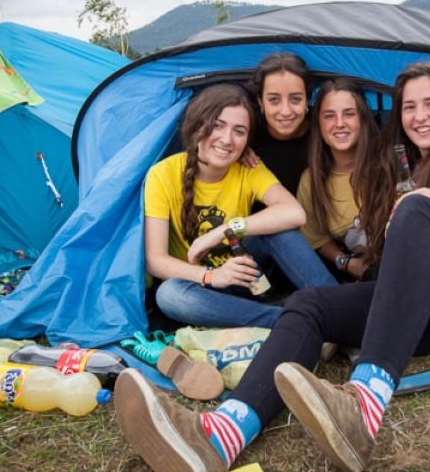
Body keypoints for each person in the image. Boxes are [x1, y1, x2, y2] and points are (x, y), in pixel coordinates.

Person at [115, 61, 430, 472]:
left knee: (419, 206)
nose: (420, 117)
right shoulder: (403, 168)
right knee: (311, 304)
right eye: (409, 107)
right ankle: (221, 436)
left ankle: (364, 403)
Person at [143, 83, 335, 330]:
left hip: (248, 278)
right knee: (168, 294)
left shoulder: (248, 168)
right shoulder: (163, 174)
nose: (227, 139)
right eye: (217, 125)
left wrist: (222, 231)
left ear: (247, 140)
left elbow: (294, 213)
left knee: (279, 227)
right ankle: (289, 322)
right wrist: (212, 276)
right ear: (196, 124)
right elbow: (155, 261)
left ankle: (337, 306)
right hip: (202, 289)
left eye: (239, 131)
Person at [296, 78, 379, 281]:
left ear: (363, 118)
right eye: (329, 116)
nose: (339, 124)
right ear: (319, 123)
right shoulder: (311, 181)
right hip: (352, 280)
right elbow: (315, 237)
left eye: (349, 114)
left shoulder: (387, 164)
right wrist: (345, 262)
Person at [247, 52, 315, 195]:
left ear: (307, 101)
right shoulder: (245, 133)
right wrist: (236, 151)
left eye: (295, 99)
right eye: (274, 99)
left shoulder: (324, 134)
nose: (285, 111)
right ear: (260, 101)